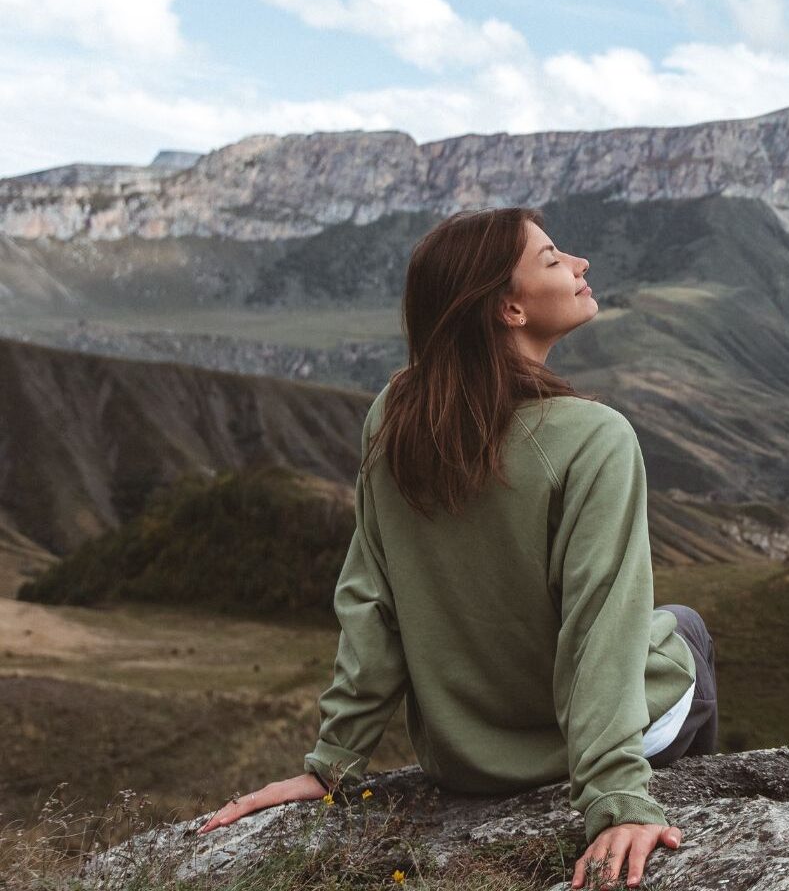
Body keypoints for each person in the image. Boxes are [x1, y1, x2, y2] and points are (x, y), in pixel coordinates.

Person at [193, 207, 719, 890]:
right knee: (687, 631)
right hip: (583, 756)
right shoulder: (596, 438)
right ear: (510, 308)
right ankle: (684, 808)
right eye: (553, 259)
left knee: (668, 623)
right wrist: (617, 798)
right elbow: (601, 622)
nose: (580, 264)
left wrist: (334, 762)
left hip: (465, 762)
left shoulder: (395, 415)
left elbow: (371, 600)